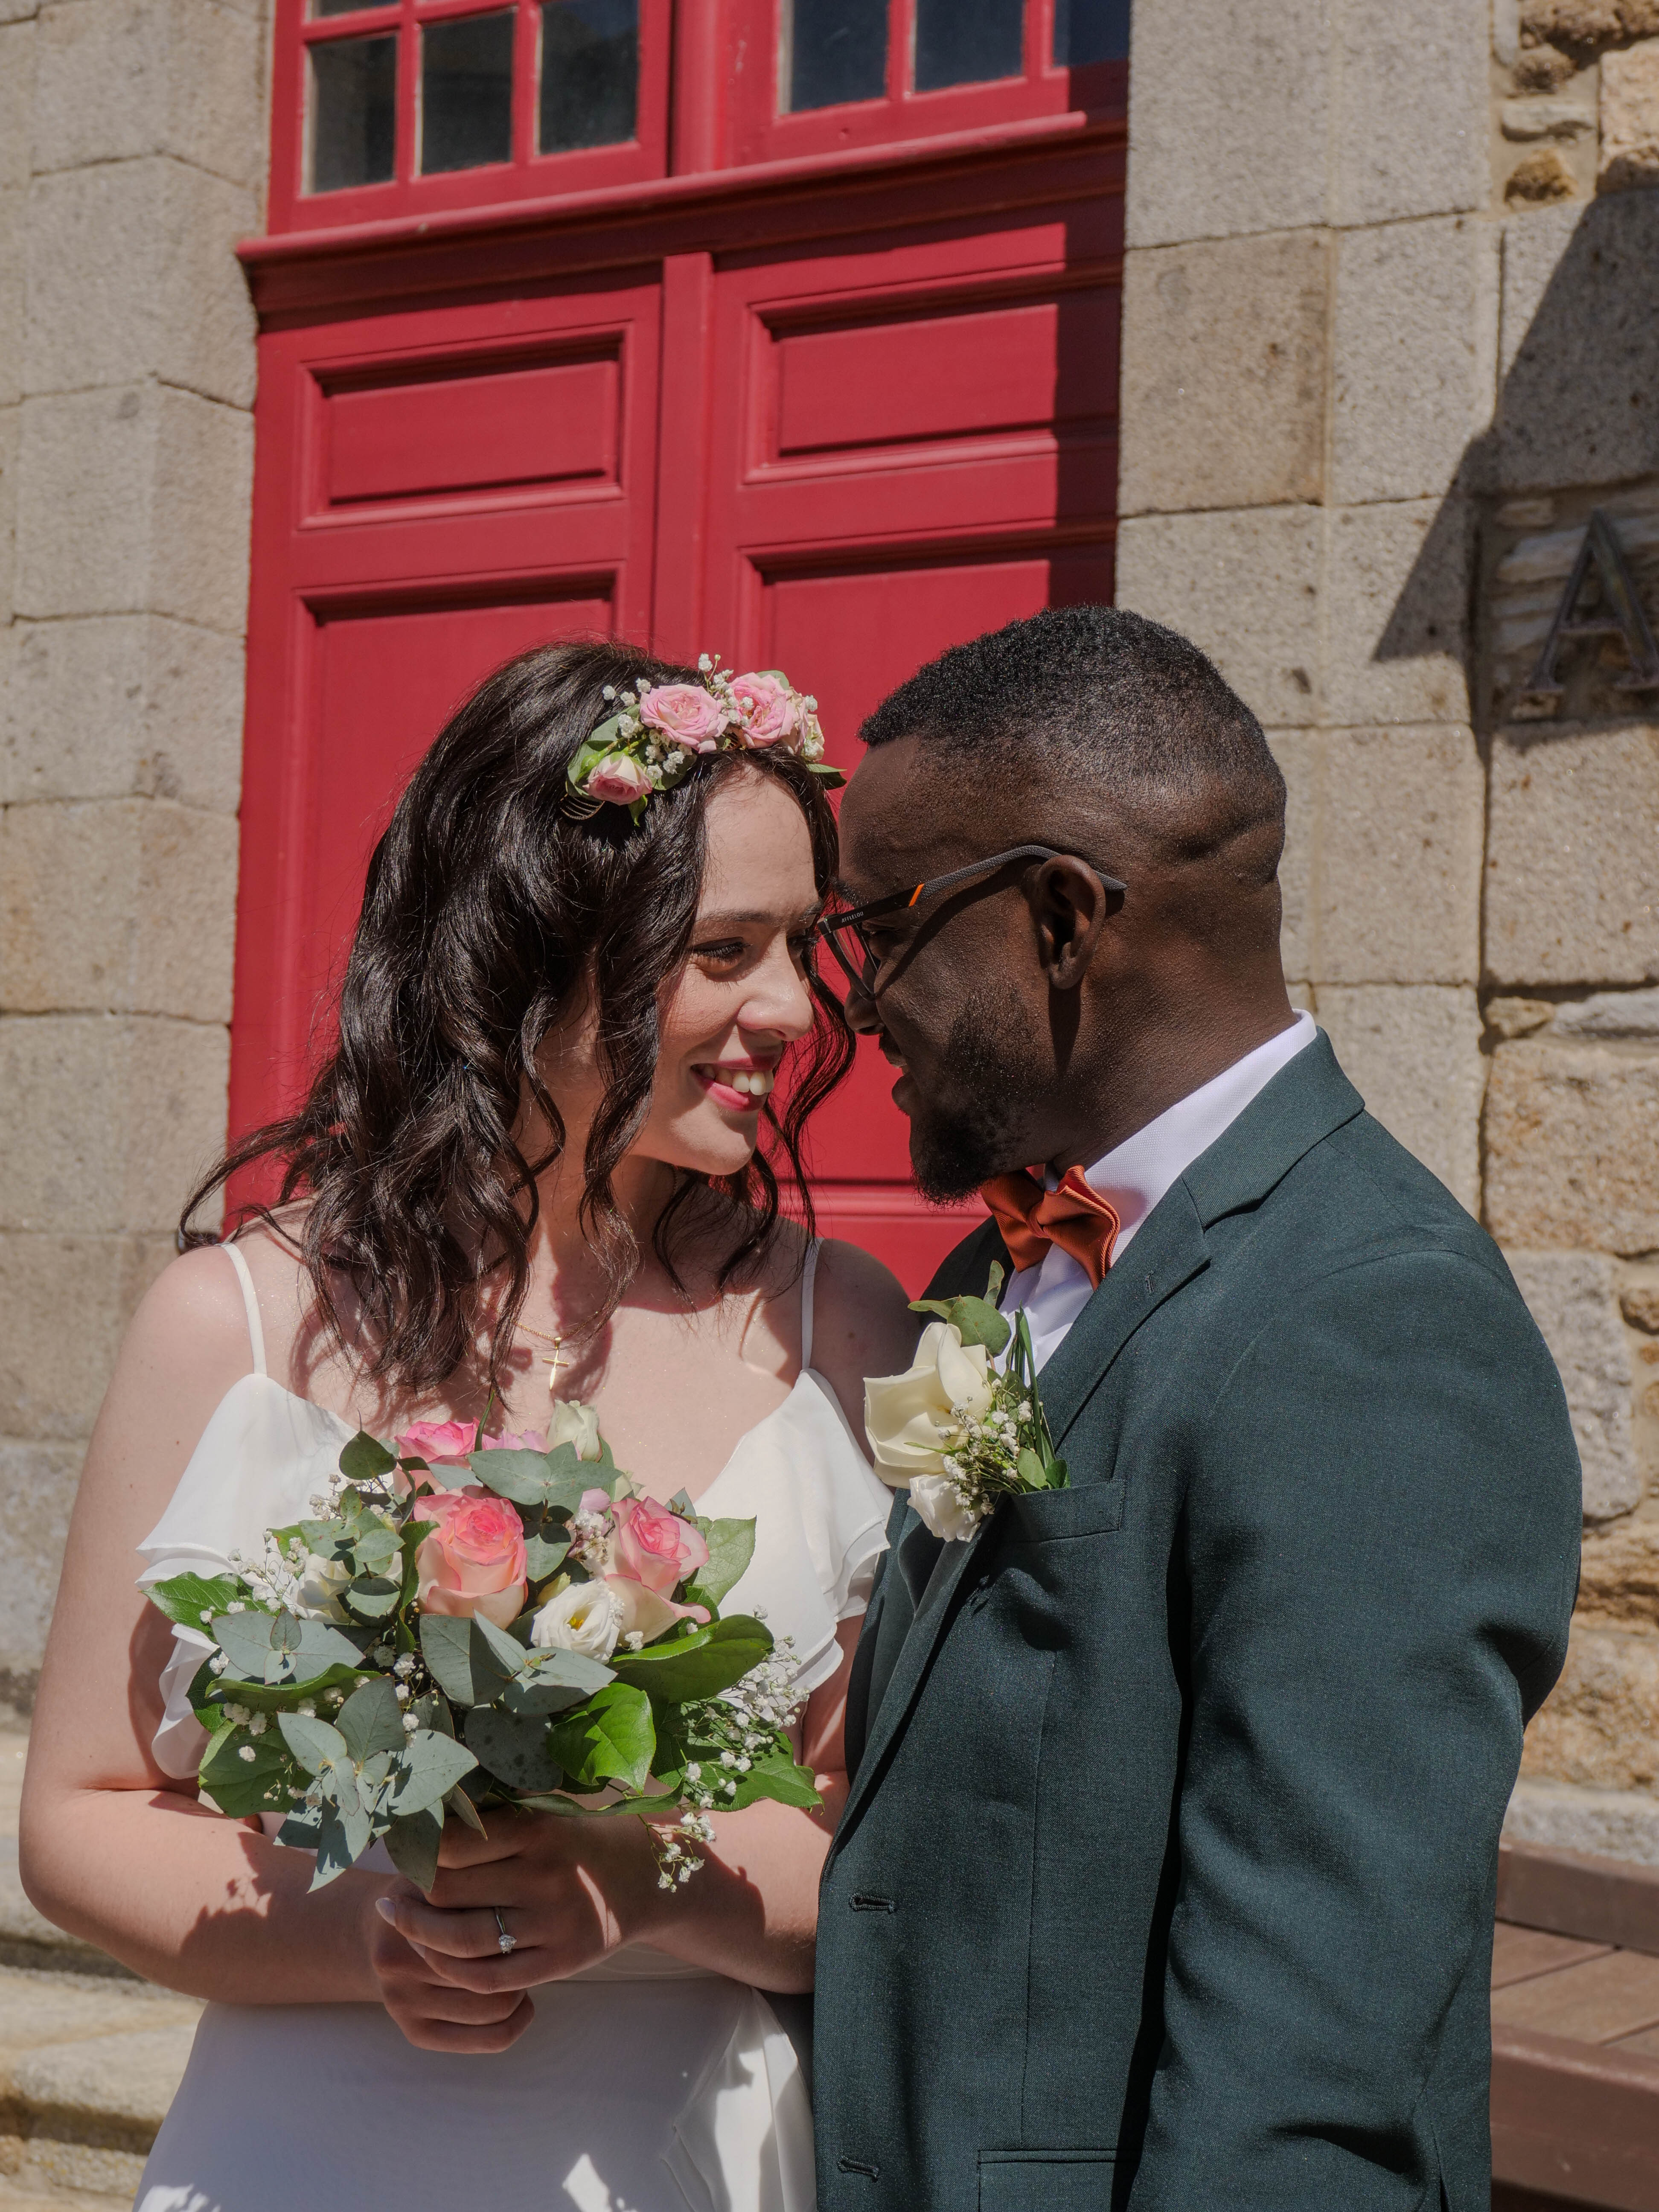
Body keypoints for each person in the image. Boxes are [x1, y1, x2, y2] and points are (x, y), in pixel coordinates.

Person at [20, 639, 914, 2212]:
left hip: (688, 2153)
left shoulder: (838, 1326)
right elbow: (82, 1819)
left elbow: (888, 1857)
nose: (790, 1007)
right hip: (305, 2151)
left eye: (799, 946)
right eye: (723, 951)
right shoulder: (237, 1322)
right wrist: (372, 1941)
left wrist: (641, 1886)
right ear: (526, 951)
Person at [810, 605, 1583, 2210]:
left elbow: (1311, 2055)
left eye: (879, 924)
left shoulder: (1377, 1315)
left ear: (1062, 915)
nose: (857, 997)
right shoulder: (995, 1256)